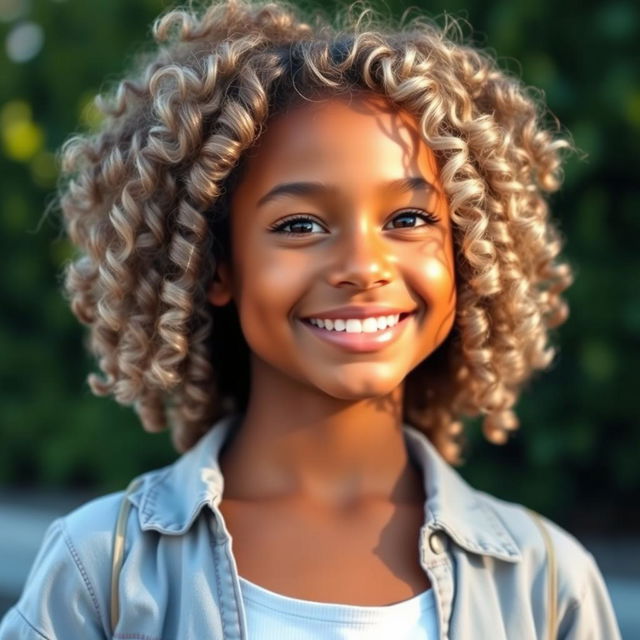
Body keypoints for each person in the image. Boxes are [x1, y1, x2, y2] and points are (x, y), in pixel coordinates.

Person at [0, 0, 622, 638]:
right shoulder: (102, 572)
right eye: (300, 225)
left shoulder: (548, 587)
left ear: (466, 254)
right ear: (214, 265)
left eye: (408, 220)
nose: (362, 265)